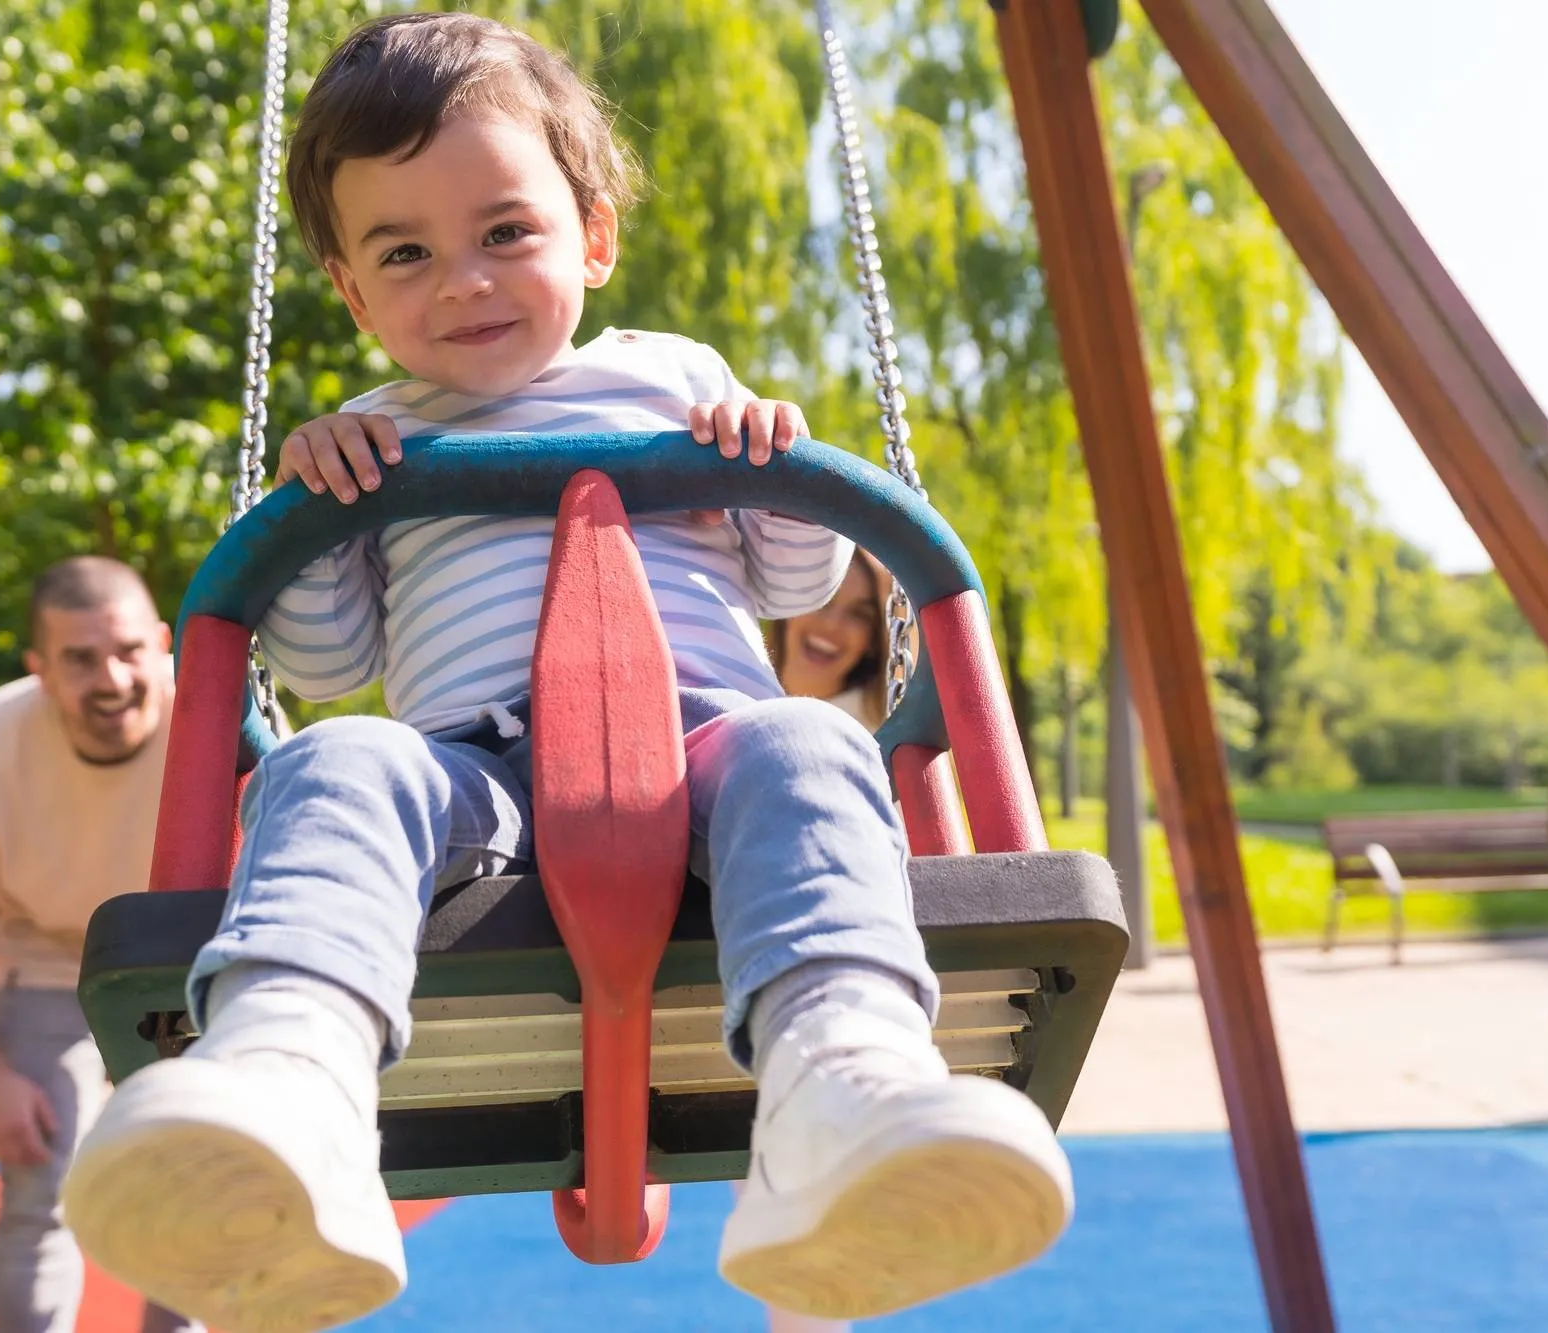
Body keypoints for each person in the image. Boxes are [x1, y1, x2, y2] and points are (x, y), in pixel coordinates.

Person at [61, 14, 1074, 1332]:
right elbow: (326, 662)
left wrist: (772, 460)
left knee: (813, 746)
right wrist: (305, 510)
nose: (463, 280)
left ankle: (843, 1084)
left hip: (708, 751)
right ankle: (291, 1087)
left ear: (593, 235)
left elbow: (797, 585)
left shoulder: (675, 380)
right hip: (470, 784)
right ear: (354, 292)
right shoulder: (369, 436)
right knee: (333, 757)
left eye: (506, 232)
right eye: (406, 254)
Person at [0, 557, 200, 1333]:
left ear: (163, 643)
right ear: (38, 669)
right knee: (41, 1185)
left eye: (130, 650)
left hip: (175, 960)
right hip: (42, 958)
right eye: (78, 658)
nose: (111, 678)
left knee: (195, 1179)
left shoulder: (218, 711)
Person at [765, 546, 892, 732]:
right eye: (823, 599)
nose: (832, 625)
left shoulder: (880, 736)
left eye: (859, 614)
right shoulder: (728, 686)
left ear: (873, 641)